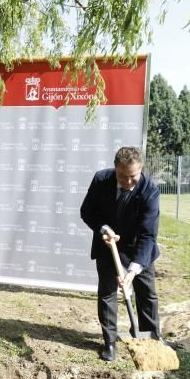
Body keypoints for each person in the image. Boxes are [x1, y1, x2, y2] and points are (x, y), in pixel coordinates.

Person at [80, 146, 161, 361]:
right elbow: (87, 212)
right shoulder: (101, 179)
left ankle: (151, 339)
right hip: (108, 246)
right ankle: (110, 343)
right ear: (115, 168)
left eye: (132, 177)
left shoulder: (149, 191)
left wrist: (132, 271)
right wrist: (104, 229)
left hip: (138, 249)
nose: (127, 182)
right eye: (122, 176)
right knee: (107, 294)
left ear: (141, 169)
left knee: (146, 294)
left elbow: (148, 235)